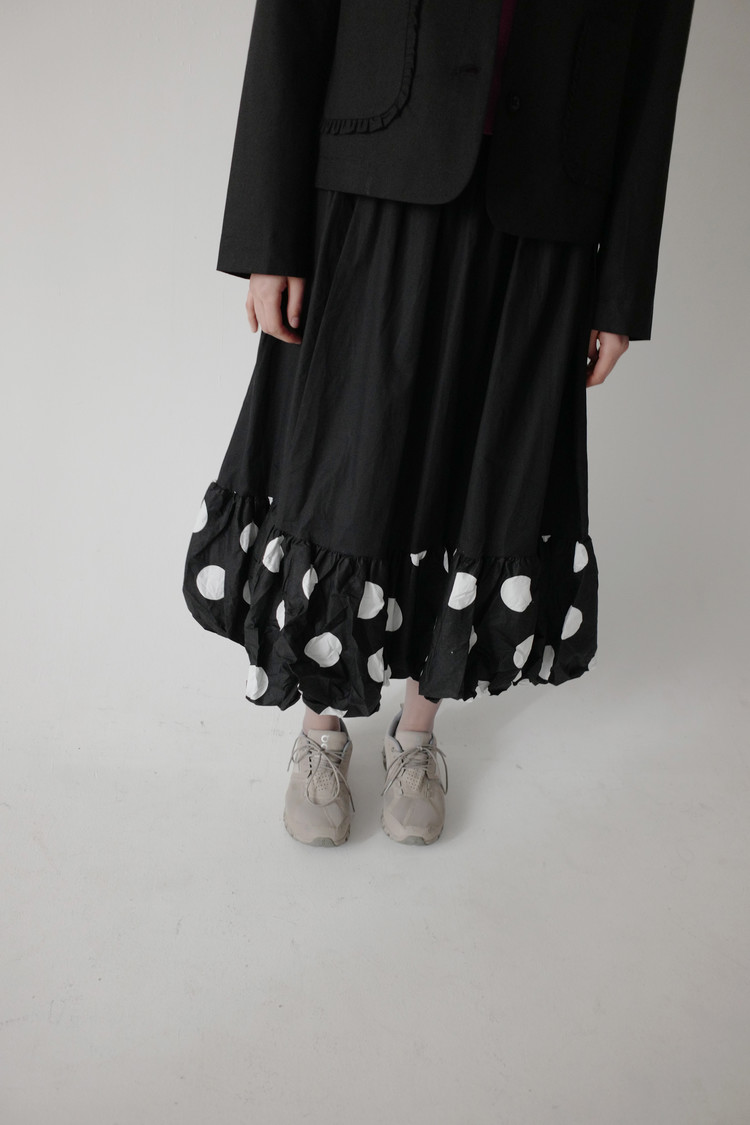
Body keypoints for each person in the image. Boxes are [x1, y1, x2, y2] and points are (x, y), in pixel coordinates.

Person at [183, 0, 696, 847]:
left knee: (483, 480)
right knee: (345, 471)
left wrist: (622, 288)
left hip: (548, 194)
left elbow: (656, 54)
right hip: (375, 164)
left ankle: (417, 732)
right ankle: (320, 726)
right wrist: (267, 235)